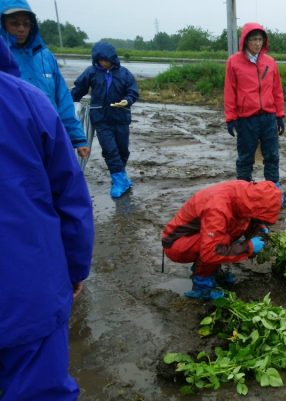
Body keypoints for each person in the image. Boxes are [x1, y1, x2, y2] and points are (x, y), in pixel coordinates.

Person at [0, 38, 94, 401]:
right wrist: (74, 269)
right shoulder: (23, 100)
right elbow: (72, 198)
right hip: (27, 289)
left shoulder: (40, 77)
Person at [162, 180, 283, 300]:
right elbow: (211, 252)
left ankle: (213, 272)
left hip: (200, 233)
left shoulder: (246, 193)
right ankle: (202, 287)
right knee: (220, 242)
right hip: (176, 243)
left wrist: (257, 226)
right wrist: (248, 247)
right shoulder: (218, 209)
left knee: (227, 234)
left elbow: (245, 215)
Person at [0, 0, 89, 159]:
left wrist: (77, 137)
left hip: (49, 140)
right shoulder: (3, 59)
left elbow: (62, 99)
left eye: (26, 24)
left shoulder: (45, 57)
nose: (21, 29)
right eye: (14, 23)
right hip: (11, 145)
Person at [71, 41, 139, 198]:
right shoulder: (91, 72)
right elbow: (78, 89)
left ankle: (121, 177)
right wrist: (64, 103)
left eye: (106, 59)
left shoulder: (124, 73)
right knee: (110, 150)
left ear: (113, 59)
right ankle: (118, 180)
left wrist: (127, 101)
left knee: (122, 150)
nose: (103, 63)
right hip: (100, 119)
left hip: (121, 118)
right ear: (96, 59)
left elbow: (133, 91)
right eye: (100, 59)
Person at [224, 22, 285, 184]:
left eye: (260, 39)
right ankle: (243, 192)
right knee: (245, 158)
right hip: (246, 119)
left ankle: (272, 191)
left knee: (272, 156)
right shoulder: (233, 62)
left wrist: (279, 116)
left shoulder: (270, 62)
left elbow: (277, 91)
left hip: (268, 118)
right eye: (254, 39)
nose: (258, 43)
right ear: (245, 41)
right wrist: (230, 118)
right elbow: (230, 92)